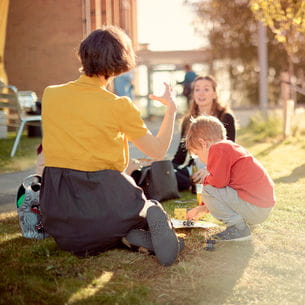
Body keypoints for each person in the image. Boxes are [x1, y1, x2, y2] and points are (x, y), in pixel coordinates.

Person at [39, 26, 183, 266]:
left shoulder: (50, 94)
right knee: (128, 203)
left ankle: (122, 236)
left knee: (88, 236)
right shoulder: (119, 105)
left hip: (59, 209)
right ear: (120, 61)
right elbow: (157, 151)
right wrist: (172, 110)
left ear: (84, 56)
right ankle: (147, 214)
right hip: (104, 196)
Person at [185, 115, 276, 241]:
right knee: (212, 188)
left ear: (203, 143)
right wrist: (203, 209)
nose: (199, 158)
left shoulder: (218, 149)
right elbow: (225, 193)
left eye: (197, 154)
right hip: (260, 207)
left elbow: (217, 184)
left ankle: (238, 229)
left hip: (256, 207)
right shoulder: (228, 148)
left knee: (207, 189)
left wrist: (206, 179)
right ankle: (241, 224)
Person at [172, 75, 236, 192]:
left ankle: (204, 181)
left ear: (214, 94)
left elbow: (230, 153)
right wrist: (165, 168)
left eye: (206, 89)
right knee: (164, 173)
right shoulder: (188, 120)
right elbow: (181, 156)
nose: (201, 93)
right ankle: (192, 181)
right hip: (194, 171)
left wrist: (209, 170)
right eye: (197, 89)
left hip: (219, 170)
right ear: (193, 94)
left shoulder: (226, 117)